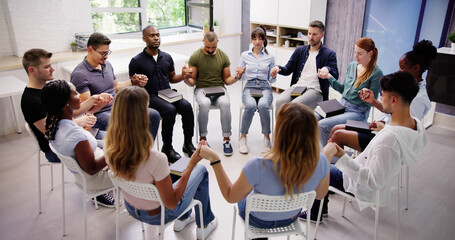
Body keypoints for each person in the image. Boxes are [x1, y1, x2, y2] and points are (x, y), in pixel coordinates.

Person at [305, 71, 427, 222]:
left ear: (393, 100)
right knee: (326, 157)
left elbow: (372, 181)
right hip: (376, 172)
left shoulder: (388, 140)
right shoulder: (415, 124)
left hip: (361, 186)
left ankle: (314, 214)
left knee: (317, 165)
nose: (381, 99)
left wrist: (342, 156)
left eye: (383, 95)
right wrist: (384, 128)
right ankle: (320, 208)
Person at [104, 86, 217, 239]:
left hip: (131, 207)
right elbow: (171, 203)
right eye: (146, 108)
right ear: (142, 116)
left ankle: (183, 219)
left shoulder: (109, 148)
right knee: (200, 171)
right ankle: (203, 224)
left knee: (176, 170)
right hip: (160, 214)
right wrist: (191, 163)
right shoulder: (155, 158)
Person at [198, 102, 330, 233]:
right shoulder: (322, 161)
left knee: (250, 193)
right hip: (291, 217)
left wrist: (215, 160)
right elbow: (320, 195)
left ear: (280, 132)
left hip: (258, 221)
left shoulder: (257, 165)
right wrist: (328, 157)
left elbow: (230, 197)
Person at [328, 40, 436, 152]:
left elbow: (404, 133)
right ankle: (335, 164)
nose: (399, 71)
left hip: (387, 140)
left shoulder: (418, 98)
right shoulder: (408, 86)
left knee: (338, 135)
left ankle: (340, 166)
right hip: (380, 129)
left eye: (402, 68)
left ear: (416, 68)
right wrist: (373, 101)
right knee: (336, 128)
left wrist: (382, 127)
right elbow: (391, 111)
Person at [20, 48, 112, 163]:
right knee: (120, 146)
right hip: (56, 147)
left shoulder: (48, 90)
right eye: (47, 67)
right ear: (32, 70)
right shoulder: (30, 101)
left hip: (74, 134)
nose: (52, 69)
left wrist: (94, 99)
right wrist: (78, 122)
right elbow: (49, 130)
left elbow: (71, 112)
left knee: (122, 138)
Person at [70, 32, 160, 138]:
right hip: (100, 114)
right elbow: (88, 109)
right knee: (127, 124)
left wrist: (133, 82)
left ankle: (146, 151)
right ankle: (133, 152)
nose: (106, 56)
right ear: (90, 50)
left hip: (118, 106)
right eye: (103, 53)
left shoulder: (106, 64)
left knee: (153, 115)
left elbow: (115, 87)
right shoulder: (80, 75)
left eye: (108, 52)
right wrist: (102, 101)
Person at [42, 80, 115, 207]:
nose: (78, 94)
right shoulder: (76, 136)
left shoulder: (54, 125)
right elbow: (92, 169)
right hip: (96, 178)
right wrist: (115, 151)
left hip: (83, 175)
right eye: (75, 93)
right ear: (66, 103)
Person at [128, 25, 196, 163]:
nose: (156, 38)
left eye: (157, 35)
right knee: (170, 110)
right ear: (144, 39)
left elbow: (172, 79)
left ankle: (187, 144)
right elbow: (133, 86)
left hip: (168, 93)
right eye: (152, 35)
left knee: (187, 107)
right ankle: (167, 148)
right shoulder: (136, 61)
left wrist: (182, 76)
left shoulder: (167, 57)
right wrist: (136, 82)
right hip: (150, 96)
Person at [316, 37, 383, 146]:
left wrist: (366, 96)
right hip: (341, 104)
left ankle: (329, 156)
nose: (355, 56)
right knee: (314, 117)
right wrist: (329, 77)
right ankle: (329, 149)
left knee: (322, 125)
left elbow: (371, 102)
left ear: (370, 53)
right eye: (355, 52)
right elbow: (343, 90)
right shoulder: (352, 65)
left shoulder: (377, 73)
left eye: (360, 54)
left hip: (358, 112)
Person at [186, 31, 237, 156]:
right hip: (202, 89)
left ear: (217, 42)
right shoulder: (195, 56)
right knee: (204, 103)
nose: (210, 50)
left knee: (225, 103)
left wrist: (237, 77)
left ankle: (226, 139)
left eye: (213, 47)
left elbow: (227, 80)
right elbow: (192, 82)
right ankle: (203, 139)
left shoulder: (223, 56)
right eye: (207, 47)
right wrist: (185, 77)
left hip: (219, 89)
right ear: (203, 41)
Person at [270, 20, 338, 113]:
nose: (310, 37)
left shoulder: (329, 54)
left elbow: (335, 75)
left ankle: (291, 128)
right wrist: (277, 68)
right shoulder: (300, 50)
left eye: (314, 34)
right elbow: (288, 69)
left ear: (322, 35)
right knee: (280, 101)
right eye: (309, 34)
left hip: (316, 90)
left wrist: (327, 69)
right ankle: (280, 128)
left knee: (294, 106)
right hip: (298, 86)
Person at [235, 25, 275, 154]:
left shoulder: (270, 57)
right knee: (251, 105)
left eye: (260, 38)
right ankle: (243, 138)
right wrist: (239, 74)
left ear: (264, 40)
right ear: (251, 40)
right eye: (254, 38)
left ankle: (267, 139)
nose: (257, 41)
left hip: (264, 86)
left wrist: (273, 75)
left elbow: (271, 80)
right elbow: (240, 78)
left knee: (263, 105)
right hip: (250, 86)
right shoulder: (244, 55)